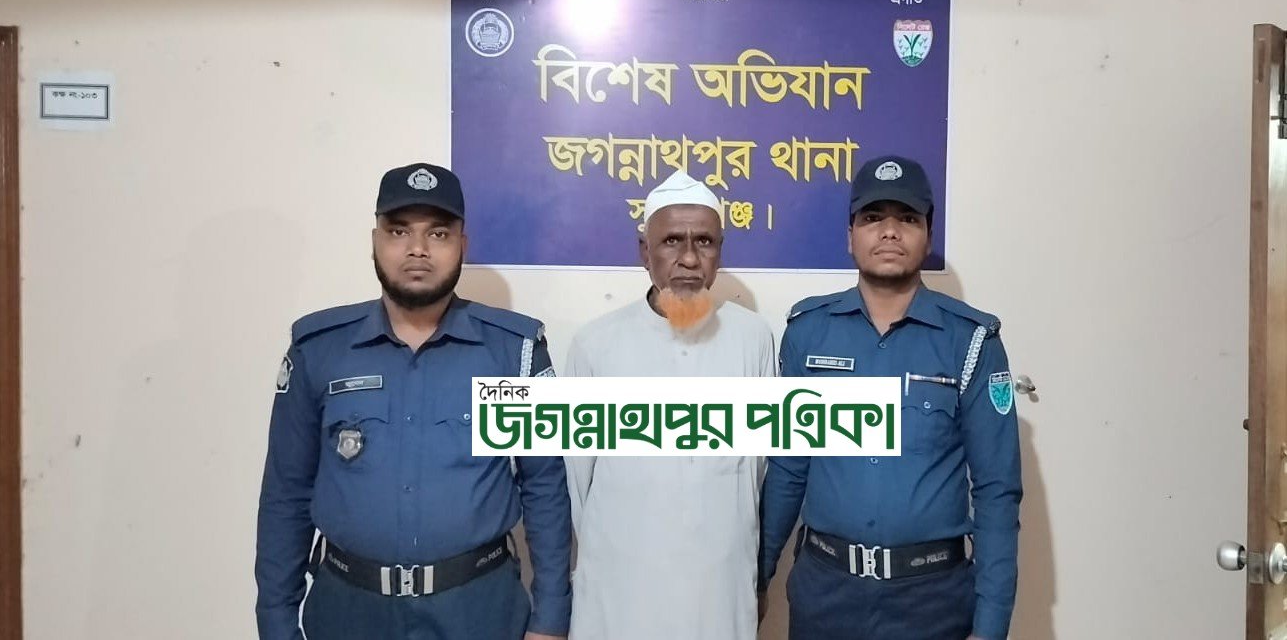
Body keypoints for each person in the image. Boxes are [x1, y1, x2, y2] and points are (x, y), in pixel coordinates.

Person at [255, 163, 571, 640]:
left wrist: (549, 621)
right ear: (375, 241)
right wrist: (277, 622)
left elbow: (545, 488)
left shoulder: (514, 351)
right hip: (348, 612)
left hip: (478, 612)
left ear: (463, 245)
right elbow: (286, 494)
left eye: (438, 233)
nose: (417, 248)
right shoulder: (319, 350)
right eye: (399, 230)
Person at [758, 155, 1022, 640]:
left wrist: (991, 628)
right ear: (850, 235)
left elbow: (996, 492)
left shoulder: (971, 341)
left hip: (932, 601)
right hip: (825, 596)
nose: (890, 231)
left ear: (928, 235)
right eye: (873, 217)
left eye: (908, 219)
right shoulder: (809, 332)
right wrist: (757, 577)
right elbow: (788, 469)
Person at [563, 170, 776, 640]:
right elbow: (578, 484)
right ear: (645, 252)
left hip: (719, 593)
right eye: (672, 241)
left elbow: (758, 472)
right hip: (620, 594)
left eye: (705, 242)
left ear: (720, 252)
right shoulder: (595, 344)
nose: (689, 258)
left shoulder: (753, 338)